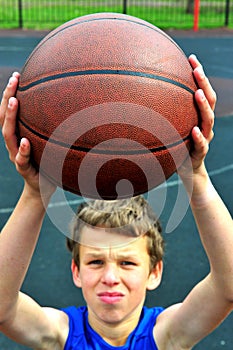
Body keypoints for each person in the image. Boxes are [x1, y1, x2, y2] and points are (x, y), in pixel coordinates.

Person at [0, 54, 232, 350]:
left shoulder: (166, 336)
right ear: (76, 272)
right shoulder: (60, 335)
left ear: (154, 272)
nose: (110, 277)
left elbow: (228, 287)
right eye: (95, 261)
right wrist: (35, 194)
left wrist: (196, 175)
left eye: (127, 262)